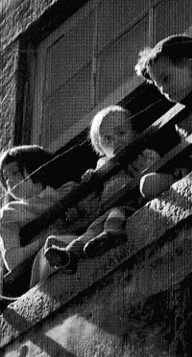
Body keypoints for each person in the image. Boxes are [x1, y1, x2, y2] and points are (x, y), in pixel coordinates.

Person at [44, 106, 159, 271]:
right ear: (100, 148)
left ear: (134, 133)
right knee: (91, 231)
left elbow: (156, 170)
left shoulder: (144, 153)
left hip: (132, 202)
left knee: (115, 214)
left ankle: (112, 233)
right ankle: (68, 256)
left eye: (121, 133)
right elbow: (93, 200)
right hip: (106, 211)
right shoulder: (103, 168)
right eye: (107, 139)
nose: (115, 141)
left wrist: (144, 169)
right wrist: (90, 183)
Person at [0, 145, 82, 287]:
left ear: (36, 167)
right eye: (5, 177)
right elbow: (12, 260)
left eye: (15, 172)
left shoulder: (66, 191)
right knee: (51, 250)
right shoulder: (10, 213)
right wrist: (42, 241)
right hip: (46, 264)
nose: (9, 181)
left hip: (78, 247)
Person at [134, 34, 192, 198]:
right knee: (146, 184)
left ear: (191, 68)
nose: (163, 90)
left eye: (165, 78)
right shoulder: (181, 118)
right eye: (158, 86)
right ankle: (182, 176)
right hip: (190, 167)